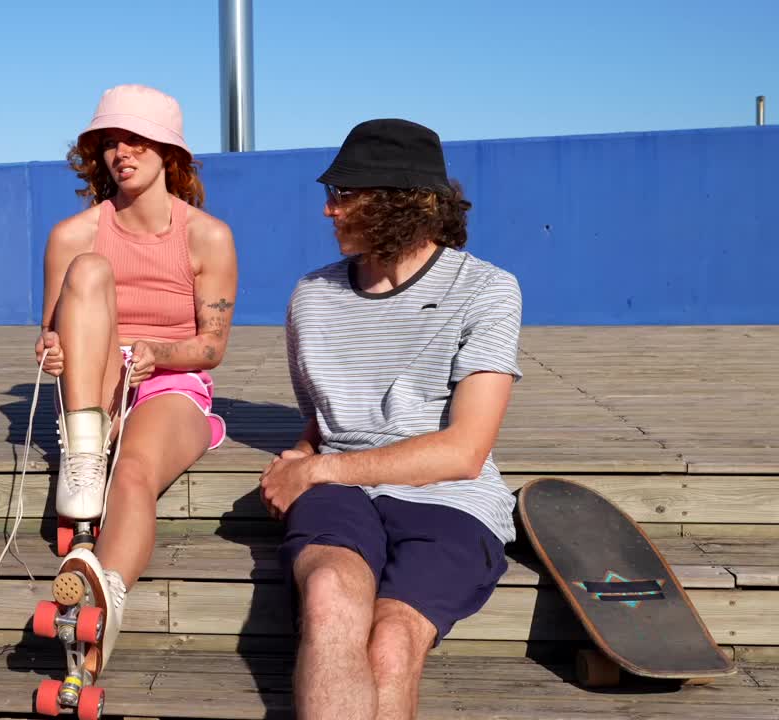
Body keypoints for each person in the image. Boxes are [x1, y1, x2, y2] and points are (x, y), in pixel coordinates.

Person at [261, 119, 521, 720]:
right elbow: (324, 418)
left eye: (344, 195)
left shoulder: (488, 290)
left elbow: (462, 452)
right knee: (327, 597)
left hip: (451, 496)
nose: (328, 211)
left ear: (401, 202)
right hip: (339, 491)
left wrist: (319, 469)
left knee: (393, 641)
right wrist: (304, 455)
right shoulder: (312, 296)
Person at [34, 83, 238, 695]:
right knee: (91, 272)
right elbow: (52, 334)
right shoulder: (73, 235)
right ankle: (84, 454)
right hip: (95, 382)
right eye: (109, 142)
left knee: (135, 474)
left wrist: (159, 352)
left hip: (173, 382)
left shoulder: (208, 236)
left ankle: (106, 598)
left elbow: (213, 346)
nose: (121, 152)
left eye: (137, 140)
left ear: (168, 153)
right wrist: (53, 351)